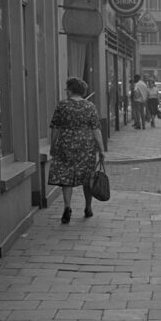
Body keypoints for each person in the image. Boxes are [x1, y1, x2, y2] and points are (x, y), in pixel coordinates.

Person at [48, 78, 106, 224]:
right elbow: (96, 129)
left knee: (66, 177)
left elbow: (55, 127)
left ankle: (67, 207)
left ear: (71, 90)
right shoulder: (90, 106)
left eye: (67, 88)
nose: (66, 91)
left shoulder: (62, 106)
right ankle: (88, 207)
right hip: (85, 146)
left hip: (65, 145)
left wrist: (53, 145)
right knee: (87, 177)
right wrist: (101, 149)